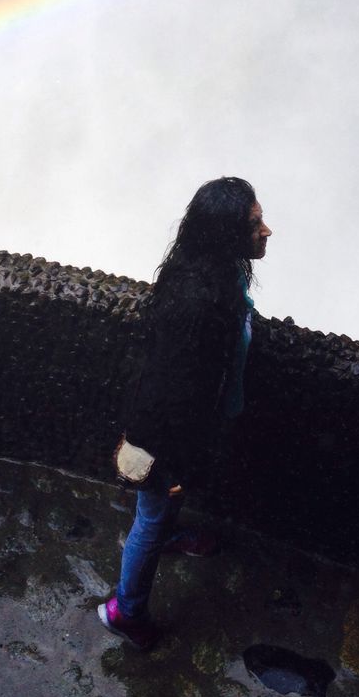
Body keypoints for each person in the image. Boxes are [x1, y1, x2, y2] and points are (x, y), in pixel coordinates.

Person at [98, 177, 272, 649]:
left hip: (188, 429)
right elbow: (171, 388)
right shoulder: (198, 302)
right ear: (227, 234)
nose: (267, 231)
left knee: (162, 507)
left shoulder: (216, 272)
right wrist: (173, 462)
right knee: (150, 515)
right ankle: (125, 611)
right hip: (163, 436)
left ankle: (169, 536)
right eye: (255, 224)